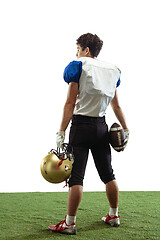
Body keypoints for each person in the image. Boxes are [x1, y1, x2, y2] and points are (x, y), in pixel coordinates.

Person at [48, 33, 129, 235]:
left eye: (78, 48)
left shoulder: (78, 65)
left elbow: (69, 103)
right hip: (101, 126)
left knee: (76, 178)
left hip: (81, 127)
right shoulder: (113, 70)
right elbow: (116, 105)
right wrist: (126, 128)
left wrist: (61, 130)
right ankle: (114, 215)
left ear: (86, 50)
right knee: (108, 174)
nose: (76, 53)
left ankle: (70, 224)